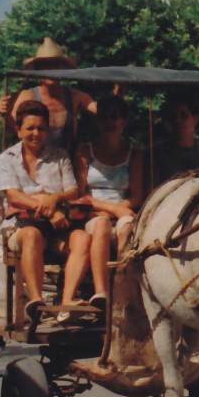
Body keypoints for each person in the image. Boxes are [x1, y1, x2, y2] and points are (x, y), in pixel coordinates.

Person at [0, 99, 90, 326]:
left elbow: (71, 190)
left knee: (83, 238)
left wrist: (54, 199)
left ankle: (67, 302)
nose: (36, 133)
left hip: (57, 227)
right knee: (31, 236)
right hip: (21, 227)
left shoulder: (59, 156)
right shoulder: (6, 158)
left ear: (47, 131)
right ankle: (37, 300)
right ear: (19, 131)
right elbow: (14, 196)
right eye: (30, 128)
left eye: (41, 128)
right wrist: (47, 210)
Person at [63, 95, 143, 322]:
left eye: (115, 117)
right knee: (102, 225)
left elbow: (136, 196)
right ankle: (102, 291)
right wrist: (109, 209)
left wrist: (119, 210)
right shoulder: (85, 152)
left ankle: (126, 288)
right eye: (104, 117)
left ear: (123, 121)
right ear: (97, 122)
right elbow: (80, 193)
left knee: (128, 227)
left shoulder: (134, 154)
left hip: (123, 212)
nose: (110, 122)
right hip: (92, 213)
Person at [0, 37, 96, 157]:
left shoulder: (76, 97)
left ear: (63, 68)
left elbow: (104, 111)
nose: (51, 70)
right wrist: (4, 113)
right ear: (38, 69)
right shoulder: (26, 97)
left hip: (68, 168)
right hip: (36, 169)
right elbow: (12, 128)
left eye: (55, 65)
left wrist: (119, 89)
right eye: (46, 65)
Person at [148, 93, 199, 184]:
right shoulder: (155, 154)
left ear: (195, 119)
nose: (178, 121)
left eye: (184, 116)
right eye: (173, 116)